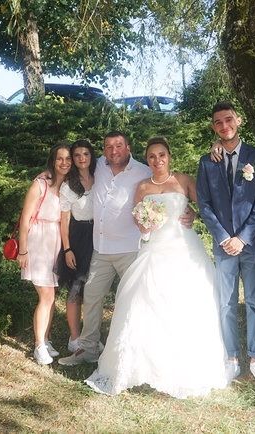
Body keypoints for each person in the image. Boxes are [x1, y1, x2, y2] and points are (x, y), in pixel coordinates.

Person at [85, 137, 229, 398]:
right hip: (154, 248)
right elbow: (139, 222)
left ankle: (184, 363)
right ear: (147, 159)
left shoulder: (183, 180)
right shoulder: (142, 187)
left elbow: (206, 206)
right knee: (144, 300)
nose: (157, 160)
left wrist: (195, 214)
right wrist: (146, 224)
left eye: (161, 155)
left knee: (186, 301)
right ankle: (144, 363)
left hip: (184, 248)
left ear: (169, 156)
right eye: (151, 156)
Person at [58, 131, 195, 366]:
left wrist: (188, 211)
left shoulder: (143, 171)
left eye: (118, 146)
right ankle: (88, 349)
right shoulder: (98, 165)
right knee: (91, 298)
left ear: (128, 148)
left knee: (133, 302)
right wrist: (46, 176)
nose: (113, 151)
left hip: (131, 249)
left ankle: (131, 351)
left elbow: (168, 187)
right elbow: (70, 165)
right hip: (100, 248)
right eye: (108, 147)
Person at [197, 101, 255, 393]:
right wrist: (223, 237)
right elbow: (204, 204)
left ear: (238, 120)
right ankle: (231, 357)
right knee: (226, 303)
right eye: (218, 122)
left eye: (228, 119)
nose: (224, 125)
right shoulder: (207, 161)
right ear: (214, 128)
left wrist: (242, 238)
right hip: (223, 247)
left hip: (252, 244)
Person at [17, 144, 72, 365]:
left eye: (68, 159)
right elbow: (25, 219)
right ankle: (39, 345)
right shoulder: (40, 184)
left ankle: (46, 339)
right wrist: (23, 250)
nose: (64, 163)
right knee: (46, 296)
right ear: (52, 160)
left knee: (52, 294)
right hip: (38, 242)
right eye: (60, 159)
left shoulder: (68, 186)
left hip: (55, 241)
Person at [55, 139, 96, 353]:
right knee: (75, 289)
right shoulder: (68, 185)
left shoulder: (99, 178)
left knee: (93, 290)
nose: (82, 159)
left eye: (86, 154)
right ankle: (74, 338)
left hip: (98, 236)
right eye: (77, 155)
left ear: (91, 156)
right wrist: (67, 248)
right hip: (77, 237)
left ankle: (90, 335)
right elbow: (64, 220)